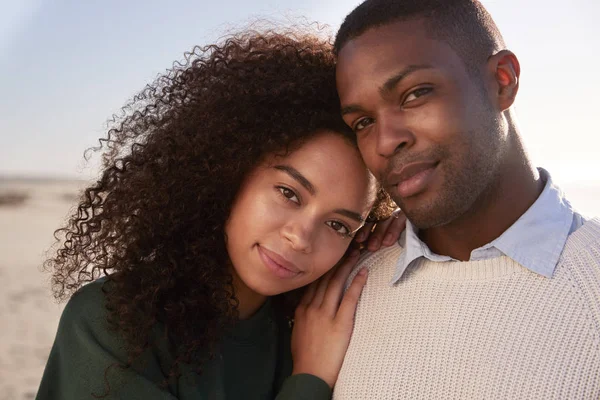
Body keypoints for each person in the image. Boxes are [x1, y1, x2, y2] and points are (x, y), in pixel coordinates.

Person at [36, 29, 400, 400]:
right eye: (289, 193)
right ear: (230, 174)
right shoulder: (109, 323)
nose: (301, 237)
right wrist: (309, 379)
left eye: (338, 224)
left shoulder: (318, 326)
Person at [332, 0, 600, 398]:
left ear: (503, 80)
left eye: (414, 94)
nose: (385, 142)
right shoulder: (341, 289)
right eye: (363, 122)